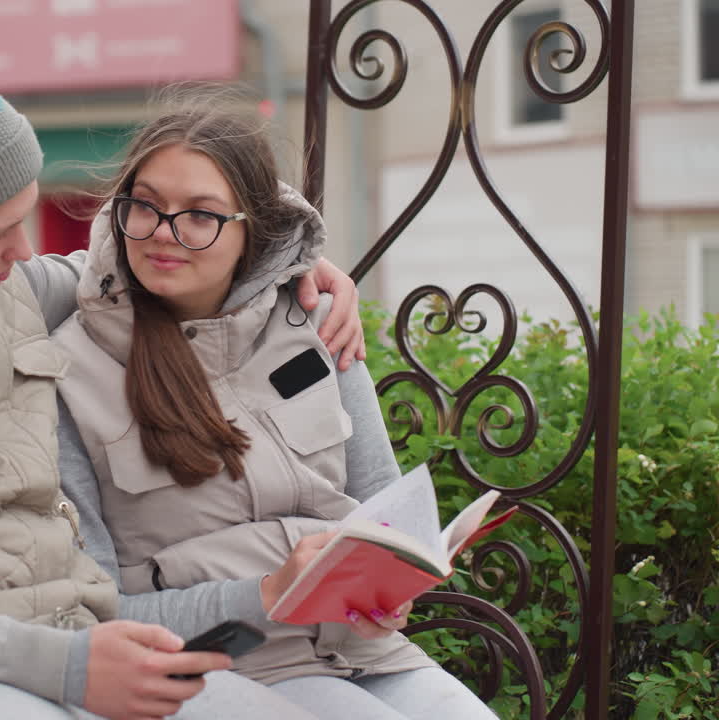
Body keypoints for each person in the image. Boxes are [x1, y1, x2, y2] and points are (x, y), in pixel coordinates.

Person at [0, 24, 367, 720]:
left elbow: (154, 259)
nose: (24, 249)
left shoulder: (12, 288)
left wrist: (293, 263)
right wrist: (65, 669)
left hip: (79, 641)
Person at [49, 96, 500, 720]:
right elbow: (96, 611)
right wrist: (266, 594)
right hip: (208, 666)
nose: (161, 232)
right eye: (144, 205)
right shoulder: (70, 367)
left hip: (363, 653)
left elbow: (383, 508)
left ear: (251, 228)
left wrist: (391, 589)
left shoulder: (313, 319)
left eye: (201, 216)